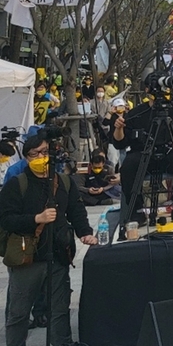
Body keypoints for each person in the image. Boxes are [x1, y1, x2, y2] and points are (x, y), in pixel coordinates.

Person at [0, 132, 97, 346]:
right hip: (27, 257)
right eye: (34, 154)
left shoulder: (64, 181)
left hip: (58, 255)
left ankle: (61, 342)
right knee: (19, 312)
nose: (40, 158)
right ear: (26, 158)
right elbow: (6, 219)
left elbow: (76, 210)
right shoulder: (17, 184)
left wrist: (85, 233)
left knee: (59, 309)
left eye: (44, 152)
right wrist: (36, 219)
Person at [110, 73, 173, 227]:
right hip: (144, 155)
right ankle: (136, 210)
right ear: (148, 89)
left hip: (170, 154)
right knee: (128, 166)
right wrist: (118, 129)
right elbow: (120, 143)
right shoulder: (137, 113)